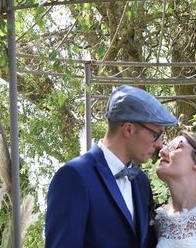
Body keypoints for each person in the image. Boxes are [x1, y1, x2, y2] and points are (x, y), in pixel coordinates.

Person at [45, 84, 177, 248]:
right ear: (128, 129)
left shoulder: (141, 181)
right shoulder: (74, 176)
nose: (160, 144)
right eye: (155, 134)